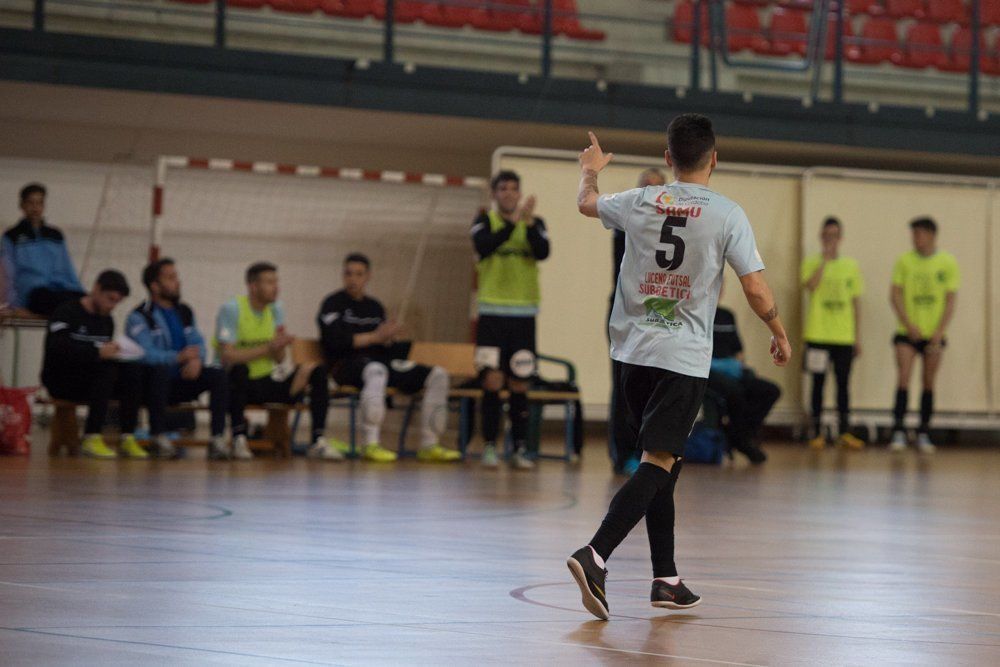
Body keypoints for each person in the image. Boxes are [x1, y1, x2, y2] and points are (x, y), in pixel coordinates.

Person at [567, 116, 791, 620]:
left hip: (630, 353)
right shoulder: (727, 213)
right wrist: (778, 330)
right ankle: (595, 554)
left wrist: (590, 169)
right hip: (681, 357)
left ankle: (665, 578)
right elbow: (755, 288)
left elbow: (585, 203)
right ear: (714, 158)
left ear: (668, 158)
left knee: (663, 459)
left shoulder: (641, 200)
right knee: (659, 461)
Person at [317, 253, 461, 463]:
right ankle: (371, 443)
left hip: (379, 362)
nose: (353, 279)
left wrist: (389, 338)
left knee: (437, 375)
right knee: (377, 371)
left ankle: (430, 444)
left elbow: (384, 343)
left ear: (368, 277)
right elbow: (335, 341)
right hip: (345, 366)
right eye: (348, 274)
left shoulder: (375, 307)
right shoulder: (332, 304)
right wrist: (375, 337)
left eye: (358, 274)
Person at [215, 262, 340, 461]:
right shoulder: (232, 309)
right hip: (238, 383)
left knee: (315, 370)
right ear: (253, 286)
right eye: (270, 282)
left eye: (276, 281)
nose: (276, 287)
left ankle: (318, 441)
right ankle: (239, 438)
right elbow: (227, 355)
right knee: (238, 370)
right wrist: (268, 348)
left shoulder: (276, 309)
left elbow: (280, 358)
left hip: (266, 381)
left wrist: (280, 347)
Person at [470, 170, 550, 469]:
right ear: (494, 194)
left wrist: (527, 225)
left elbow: (543, 252)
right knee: (492, 380)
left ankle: (518, 448)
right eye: (502, 189)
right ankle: (490, 446)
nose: (508, 194)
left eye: (514, 189)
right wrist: (513, 223)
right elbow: (484, 246)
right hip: (491, 314)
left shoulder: (535, 223)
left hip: (523, 316)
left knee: (520, 381)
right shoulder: (483, 221)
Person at [127, 258, 233, 460]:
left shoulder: (184, 312)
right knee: (157, 371)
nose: (177, 282)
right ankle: (157, 435)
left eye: (176, 276)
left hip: (183, 380)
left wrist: (196, 360)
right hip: (155, 385)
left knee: (218, 374)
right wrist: (178, 357)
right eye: (170, 277)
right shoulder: (140, 316)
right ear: (154, 286)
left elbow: (198, 343)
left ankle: (217, 438)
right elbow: (144, 353)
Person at [42, 270, 148, 460]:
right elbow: (57, 347)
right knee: (105, 371)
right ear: (96, 289)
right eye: (110, 299)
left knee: (131, 372)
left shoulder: (107, 320)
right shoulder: (66, 311)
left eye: (117, 302)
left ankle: (127, 436)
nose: (112, 306)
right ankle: (92, 435)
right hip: (61, 378)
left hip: (91, 379)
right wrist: (96, 351)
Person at [609, 168, 666, 476]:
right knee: (624, 383)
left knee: (656, 381)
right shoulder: (627, 221)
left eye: (658, 188)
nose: (652, 194)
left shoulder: (675, 226)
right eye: (646, 188)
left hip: (661, 307)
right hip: (628, 309)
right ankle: (622, 453)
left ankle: (652, 451)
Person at [889, 217, 959, 454]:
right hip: (907, 333)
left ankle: (924, 432)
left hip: (934, 335)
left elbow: (950, 300)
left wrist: (939, 331)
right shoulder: (904, 261)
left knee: (928, 382)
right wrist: (908, 324)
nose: (915, 238)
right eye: (913, 234)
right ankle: (898, 430)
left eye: (918, 234)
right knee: (904, 377)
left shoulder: (947, 262)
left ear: (931, 235)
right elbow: (895, 295)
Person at [801, 217, 865, 450]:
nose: (830, 240)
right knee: (818, 385)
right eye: (826, 235)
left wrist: (857, 337)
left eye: (834, 236)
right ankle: (816, 432)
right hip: (817, 335)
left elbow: (856, 303)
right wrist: (824, 262)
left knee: (843, 385)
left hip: (843, 337)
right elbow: (810, 286)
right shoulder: (811, 262)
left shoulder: (851, 266)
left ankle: (844, 431)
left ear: (840, 238)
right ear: (821, 237)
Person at [708, 304, 781, 464]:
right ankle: (741, 440)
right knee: (735, 392)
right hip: (707, 370)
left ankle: (738, 436)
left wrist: (740, 368)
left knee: (770, 391)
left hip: (731, 368)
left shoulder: (727, 315)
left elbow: (738, 350)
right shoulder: (697, 311)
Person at [1, 183, 86, 316]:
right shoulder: (12, 237)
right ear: (22, 205)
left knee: (86, 303)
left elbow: (68, 269)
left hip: (58, 290)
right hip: (32, 294)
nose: (35, 208)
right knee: (67, 306)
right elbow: (7, 276)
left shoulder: (55, 235)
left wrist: (80, 293)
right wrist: (14, 306)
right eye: (31, 203)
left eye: (39, 203)